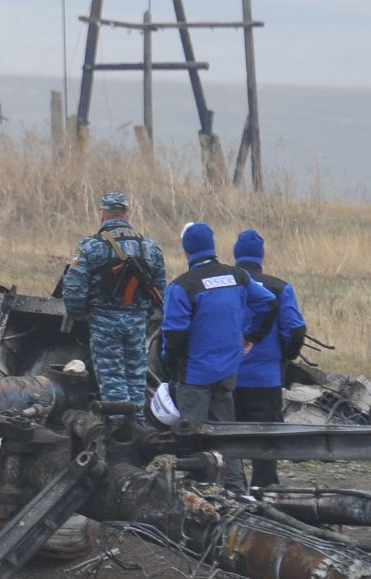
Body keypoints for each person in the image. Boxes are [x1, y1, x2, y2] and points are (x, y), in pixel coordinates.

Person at [160, 222, 277, 492]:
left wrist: (169, 367)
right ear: (212, 246)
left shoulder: (181, 287)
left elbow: (174, 337)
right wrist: (251, 337)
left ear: (186, 250)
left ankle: (198, 495)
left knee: (192, 440)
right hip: (227, 373)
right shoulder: (238, 277)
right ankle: (236, 491)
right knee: (226, 435)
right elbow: (269, 303)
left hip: (194, 377)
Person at [61, 191, 167, 417]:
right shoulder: (150, 247)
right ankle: (137, 428)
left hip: (104, 320)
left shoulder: (89, 246)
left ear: (102, 215)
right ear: (127, 215)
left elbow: (73, 288)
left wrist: (80, 314)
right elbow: (160, 291)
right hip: (137, 322)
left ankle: (120, 435)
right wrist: (143, 314)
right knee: (136, 381)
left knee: (112, 383)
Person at [231, 228, 306, 490]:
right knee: (266, 442)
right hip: (266, 379)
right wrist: (286, 356)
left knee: (227, 442)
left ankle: (233, 492)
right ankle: (264, 492)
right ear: (261, 256)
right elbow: (296, 329)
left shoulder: (226, 283)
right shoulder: (280, 287)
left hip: (227, 377)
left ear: (235, 255)